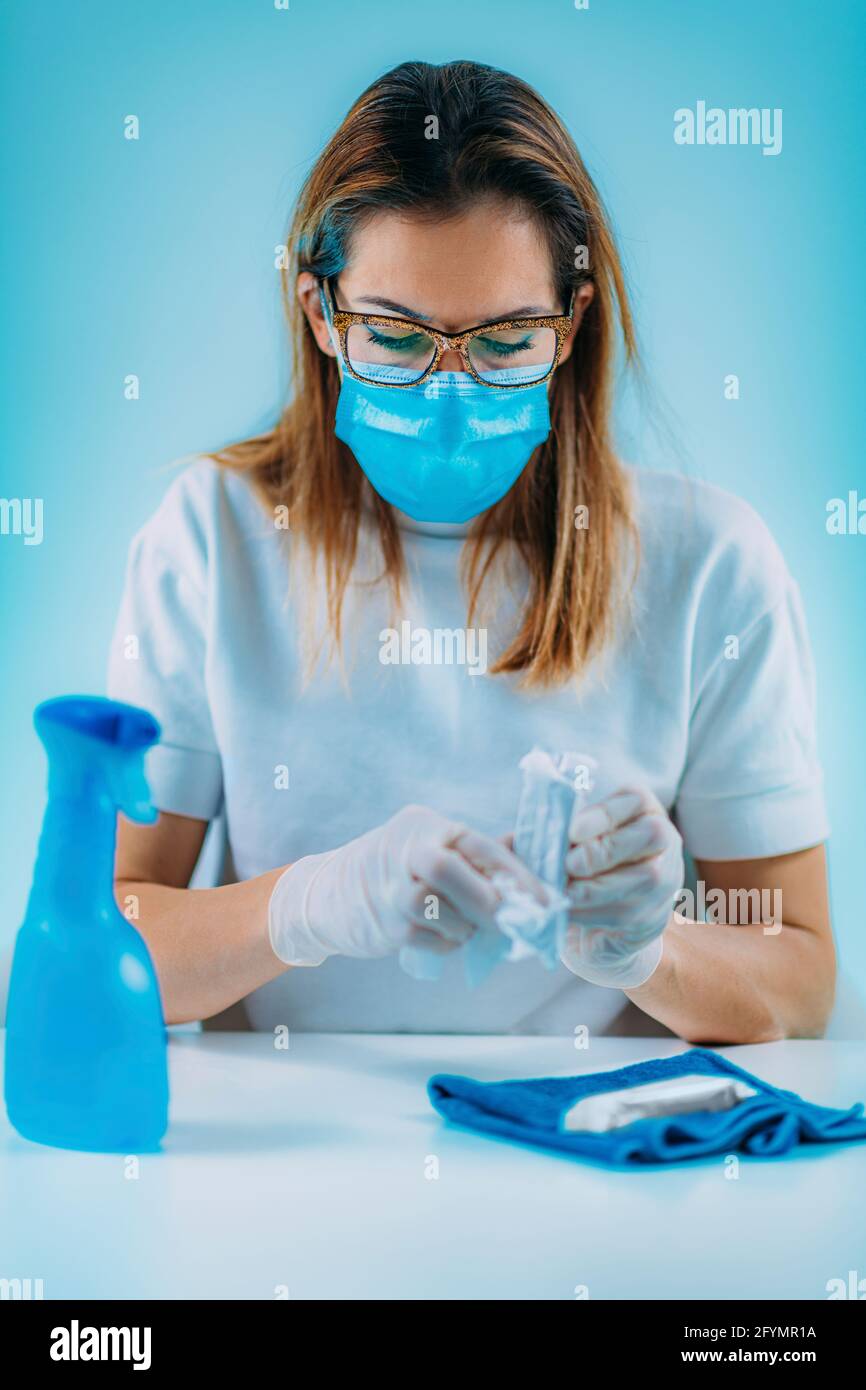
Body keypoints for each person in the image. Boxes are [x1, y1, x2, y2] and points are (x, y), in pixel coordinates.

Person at [108, 60, 834, 1043]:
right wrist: (306, 906)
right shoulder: (214, 538)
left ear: (571, 321)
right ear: (320, 313)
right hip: (280, 1166)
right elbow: (107, 932)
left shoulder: (708, 566)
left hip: (591, 1155)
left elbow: (795, 972)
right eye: (395, 338)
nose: (448, 394)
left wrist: (647, 951)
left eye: (502, 343)